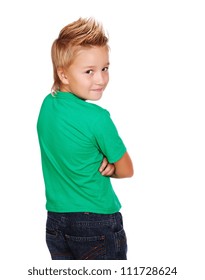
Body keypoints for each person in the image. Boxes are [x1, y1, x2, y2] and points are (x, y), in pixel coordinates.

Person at [37, 17, 133, 260]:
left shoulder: (47, 106)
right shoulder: (98, 118)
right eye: (89, 71)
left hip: (56, 222)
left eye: (105, 68)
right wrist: (111, 168)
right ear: (64, 75)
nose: (100, 79)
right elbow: (127, 169)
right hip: (97, 222)